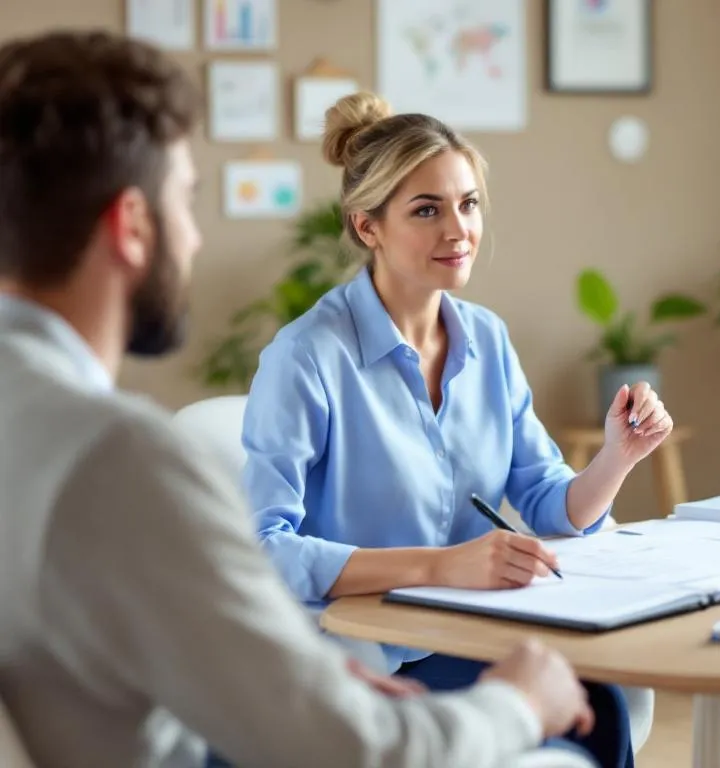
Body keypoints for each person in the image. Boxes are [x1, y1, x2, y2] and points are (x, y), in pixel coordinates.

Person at [0, 28, 602, 768]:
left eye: (468, 205)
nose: (192, 239)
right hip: (298, 719)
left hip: (287, 697)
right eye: (186, 200)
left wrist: (308, 682)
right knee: (577, 738)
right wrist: (517, 704)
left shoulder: (26, 417)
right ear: (132, 226)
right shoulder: (120, 453)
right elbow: (345, 747)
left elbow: (143, 654)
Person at [239, 90, 673, 768]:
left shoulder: (488, 342)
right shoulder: (305, 359)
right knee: (575, 722)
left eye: (468, 204)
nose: (458, 230)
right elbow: (263, 550)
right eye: (426, 210)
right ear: (366, 227)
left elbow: (549, 503)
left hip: (477, 635)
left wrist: (618, 457)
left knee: (599, 706)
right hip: (366, 660)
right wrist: (446, 565)